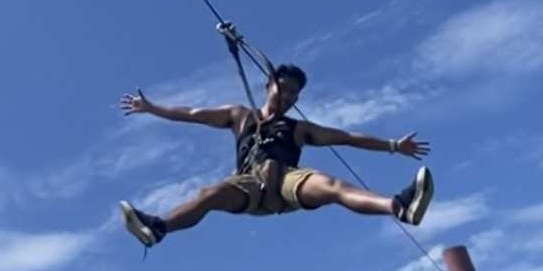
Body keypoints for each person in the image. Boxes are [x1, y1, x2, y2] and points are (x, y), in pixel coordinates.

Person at [117, 64, 433, 248]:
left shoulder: (298, 129)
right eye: (283, 89)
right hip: (248, 185)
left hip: (286, 182)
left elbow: (347, 137)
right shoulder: (239, 115)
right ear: (268, 85)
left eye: (294, 94)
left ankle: (399, 207)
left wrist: (393, 145)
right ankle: (158, 228)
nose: (288, 97)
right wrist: (152, 108)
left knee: (331, 186)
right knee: (209, 194)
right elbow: (191, 114)